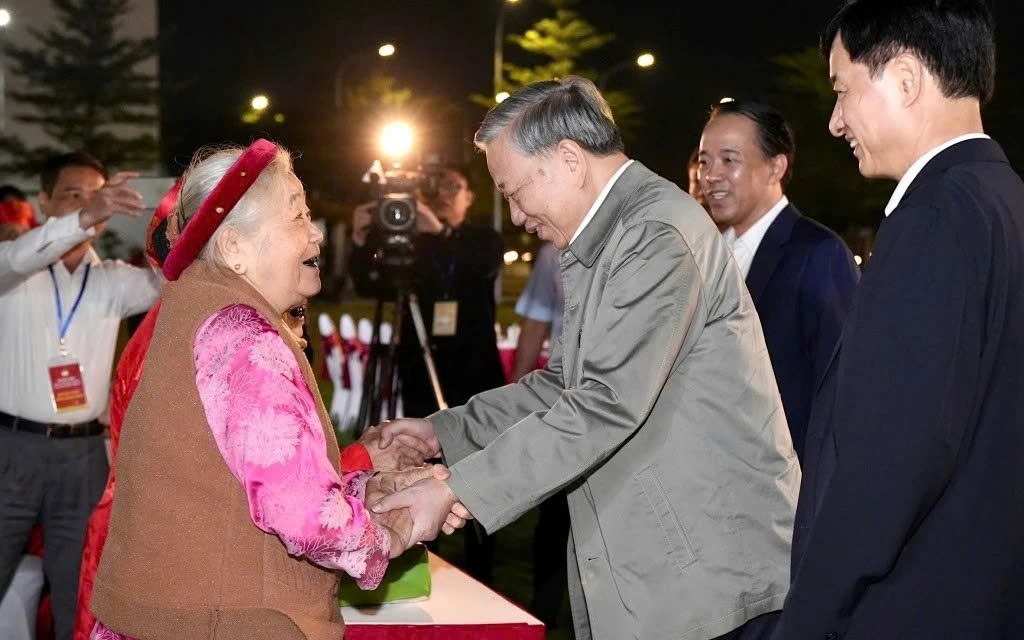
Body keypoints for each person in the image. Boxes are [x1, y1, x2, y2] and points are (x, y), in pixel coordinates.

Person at [372, 77, 800, 640]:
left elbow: (604, 403)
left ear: (569, 159)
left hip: (705, 571)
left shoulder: (653, 235)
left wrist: (457, 490)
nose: (516, 214)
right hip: (666, 563)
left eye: (514, 190)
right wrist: (444, 433)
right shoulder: (612, 237)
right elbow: (565, 385)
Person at [89, 141, 465, 640]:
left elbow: (237, 489)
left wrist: (369, 491)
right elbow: (301, 515)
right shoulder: (242, 336)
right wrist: (396, 532)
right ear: (234, 248)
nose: (315, 234)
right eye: (297, 216)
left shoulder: (203, 312)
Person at [769, 2, 1024, 638]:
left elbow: (887, 464)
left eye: (841, 90)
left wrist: (806, 619)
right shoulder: (1004, 201)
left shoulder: (934, 218)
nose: (833, 122)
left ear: (905, 79)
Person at [0, 153, 161, 640]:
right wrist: (85, 216)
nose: (90, 207)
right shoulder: (13, 267)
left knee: (81, 588)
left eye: (98, 197)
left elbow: (174, 282)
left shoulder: (114, 279)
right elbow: (18, 257)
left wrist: (175, 219)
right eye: (75, 195)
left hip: (85, 455)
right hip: (13, 450)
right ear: (43, 201)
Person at [698, 99, 859, 460]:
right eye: (705, 161)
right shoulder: (704, 255)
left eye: (729, 159)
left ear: (775, 167)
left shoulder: (819, 255)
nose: (710, 175)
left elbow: (843, 394)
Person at [348, 164, 506, 419]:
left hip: (474, 365)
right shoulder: (414, 241)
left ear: (469, 197)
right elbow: (368, 285)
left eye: (452, 186)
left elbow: (481, 265)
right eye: (435, 186)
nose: (442, 194)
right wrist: (358, 240)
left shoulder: (484, 237)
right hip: (419, 365)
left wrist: (440, 231)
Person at [510, 240, 571, 629]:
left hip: (621, 405)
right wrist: (515, 399)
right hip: (563, 402)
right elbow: (536, 321)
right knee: (555, 517)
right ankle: (543, 611)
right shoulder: (552, 251)